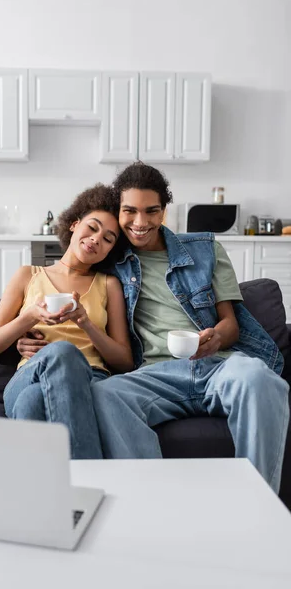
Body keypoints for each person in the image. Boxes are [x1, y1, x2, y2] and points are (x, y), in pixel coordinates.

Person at [19, 163, 290, 494]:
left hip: (216, 366)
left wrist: (216, 337)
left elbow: (231, 324)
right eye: (129, 211)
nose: (140, 222)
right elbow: (65, 281)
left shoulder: (205, 249)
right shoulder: (108, 259)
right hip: (154, 376)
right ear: (117, 212)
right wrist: (27, 336)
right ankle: (152, 500)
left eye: (151, 211)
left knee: (260, 379)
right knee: (104, 395)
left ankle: (258, 500)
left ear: (164, 211)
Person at [0, 184, 133, 459]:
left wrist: (86, 322)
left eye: (108, 239)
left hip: (90, 378)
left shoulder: (109, 285)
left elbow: (124, 360)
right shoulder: (28, 275)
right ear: (74, 224)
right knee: (60, 353)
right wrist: (29, 317)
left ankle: (38, 494)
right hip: (28, 374)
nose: (97, 239)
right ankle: (90, 475)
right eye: (92, 227)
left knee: (31, 401)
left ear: (111, 250)